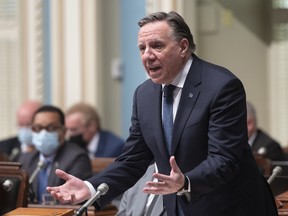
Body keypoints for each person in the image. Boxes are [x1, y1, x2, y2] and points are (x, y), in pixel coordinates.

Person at [47, 11, 278, 215]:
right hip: (178, 207)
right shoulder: (144, 95)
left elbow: (225, 159)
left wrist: (186, 181)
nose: (147, 55)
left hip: (230, 207)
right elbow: (133, 159)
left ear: (183, 47)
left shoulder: (221, 86)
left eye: (157, 45)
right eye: (142, 48)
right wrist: (90, 188)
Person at [18, 105, 93, 204]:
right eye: (38, 128)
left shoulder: (77, 158)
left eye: (52, 128)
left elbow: (75, 201)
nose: (43, 133)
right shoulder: (25, 159)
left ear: (64, 131)